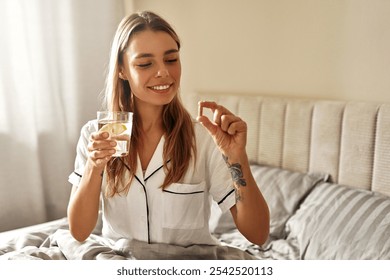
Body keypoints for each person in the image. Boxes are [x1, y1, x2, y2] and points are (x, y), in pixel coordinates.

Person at [67, 11, 269, 247]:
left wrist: (238, 158)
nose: (163, 71)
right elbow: (79, 232)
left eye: (171, 60)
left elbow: (258, 234)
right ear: (122, 70)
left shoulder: (204, 138)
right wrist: (94, 167)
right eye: (145, 64)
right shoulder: (96, 136)